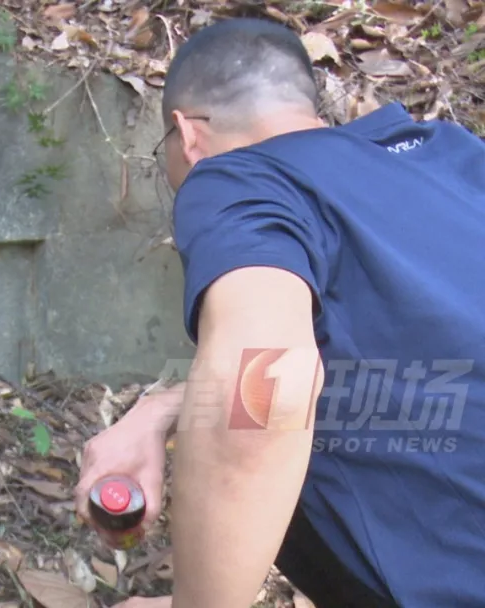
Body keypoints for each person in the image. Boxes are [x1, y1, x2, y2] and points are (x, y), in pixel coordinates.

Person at [74, 16, 485, 608]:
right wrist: (161, 410)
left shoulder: (239, 178)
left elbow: (264, 387)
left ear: (186, 134)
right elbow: (406, 367)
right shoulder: (451, 153)